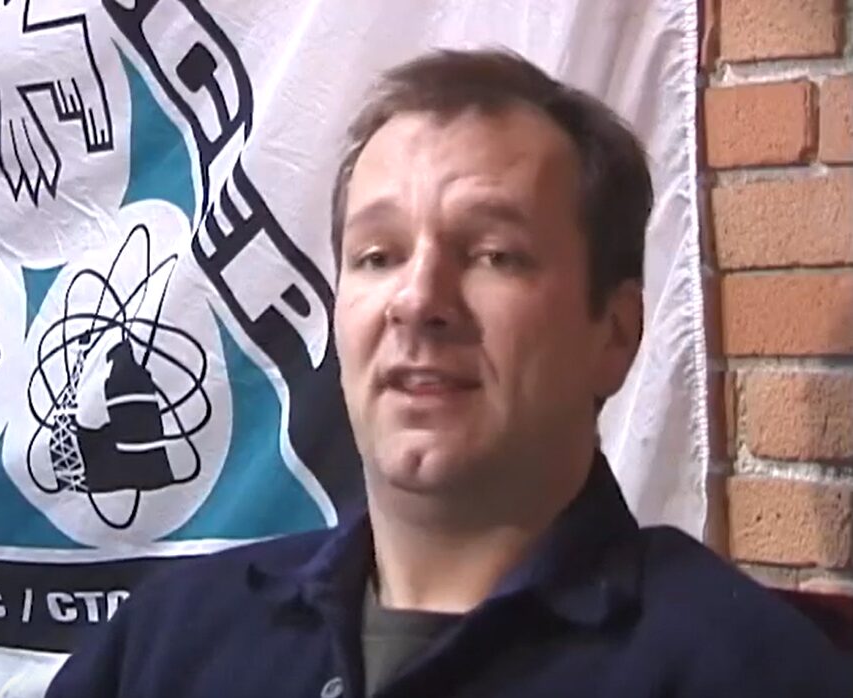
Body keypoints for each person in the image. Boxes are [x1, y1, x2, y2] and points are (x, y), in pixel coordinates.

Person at [46, 49, 853, 697]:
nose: (417, 300)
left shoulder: (740, 669)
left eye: (493, 254)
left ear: (613, 333)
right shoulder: (168, 639)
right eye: (376, 256)